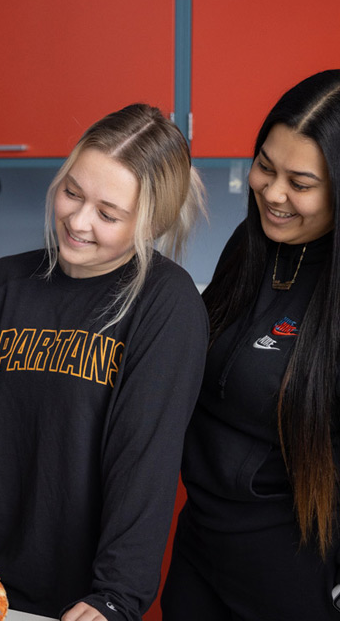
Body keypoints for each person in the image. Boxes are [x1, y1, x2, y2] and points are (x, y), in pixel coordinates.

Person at [0, 103, 209, 621]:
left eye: (108, 214)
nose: (78, 221)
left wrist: (115, 595)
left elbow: (145, 462)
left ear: (150, 222)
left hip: (80, 600)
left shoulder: (165, 305)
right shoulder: (0, 287)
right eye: (72, 192)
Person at [161, 71, 340, 620]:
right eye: (266, 166)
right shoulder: (251, 244)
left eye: (300, 183)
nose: (272, 192)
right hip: (201, 547)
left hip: (293, 571)